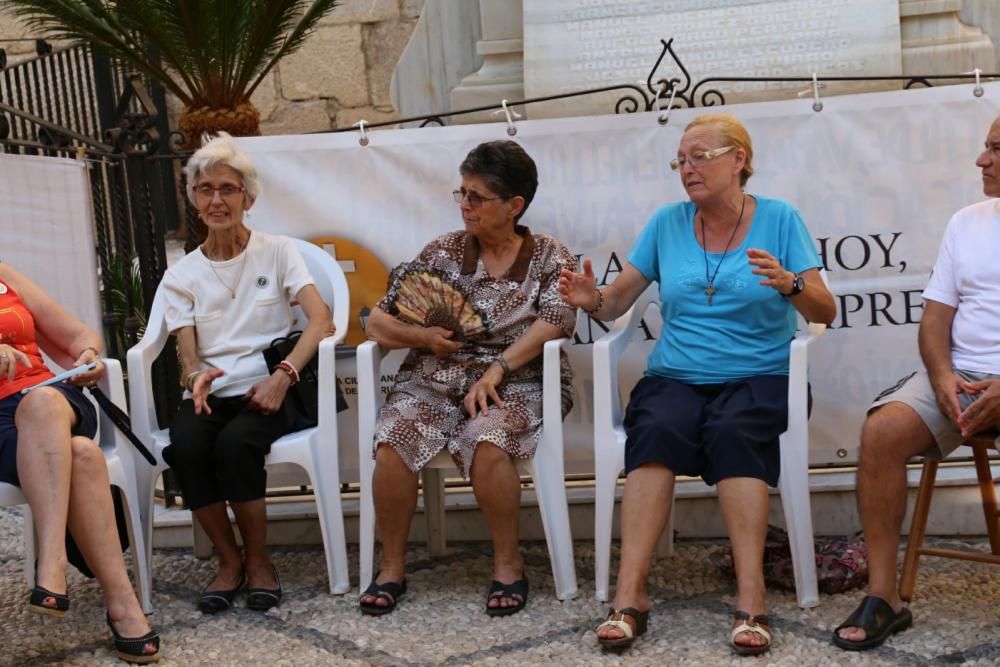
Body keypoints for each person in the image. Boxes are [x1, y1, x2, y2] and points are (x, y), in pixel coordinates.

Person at [559, 113, 836, 654]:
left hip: (762, 375)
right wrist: (590, 298)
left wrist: (790, 282)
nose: (688, 169)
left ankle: (751, 599)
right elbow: (615, 302)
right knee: (655, 428)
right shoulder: (667, 223)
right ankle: (630, 596)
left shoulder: (780, 219)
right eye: (680, 160)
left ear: (739, 160)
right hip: (677, 375)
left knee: (735, 432)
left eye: (700, 156)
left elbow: (824, 307)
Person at [360, 140, 577, 617]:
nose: (465, 206)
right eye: (462, 193)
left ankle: (508, 562)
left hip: (519, 378)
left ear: (514, 205)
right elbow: (376, 322)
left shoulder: (547, 255)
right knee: (394, 437)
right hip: (436, 375)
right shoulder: (443, 250)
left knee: (487, 437)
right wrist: (421, 336)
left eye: (477, 197)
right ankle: (392, 565)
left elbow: (559, 319)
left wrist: (499, 366)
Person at [833, 115, 1000, 651]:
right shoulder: (967, 222)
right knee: (881, 433)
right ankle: (885, 596)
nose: (981, 160)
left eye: (995, 149)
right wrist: (944, 375)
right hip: (962, 377)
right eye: (984, 146)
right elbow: (933, 321)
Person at [159, 132, 333, 614]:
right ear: (194, 198)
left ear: (248, 198)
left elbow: (321, 320)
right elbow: (187, 357)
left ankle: (259, 563)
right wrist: (195, 379)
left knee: (237, 446)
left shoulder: (278, 251)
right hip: (214, 393)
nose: (217, 199)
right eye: (206, 189)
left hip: (271, 385)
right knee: (188, 445)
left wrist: (283, 376)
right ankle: (229, 560)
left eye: (228, 189)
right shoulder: (181, 275)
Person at [0, 265, 160, 663]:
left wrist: (88, 355)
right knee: (84, 455)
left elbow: (76, 336)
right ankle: (123, 605)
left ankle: (52, 561)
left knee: (42, 403)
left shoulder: (4, 275)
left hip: (49, 401)